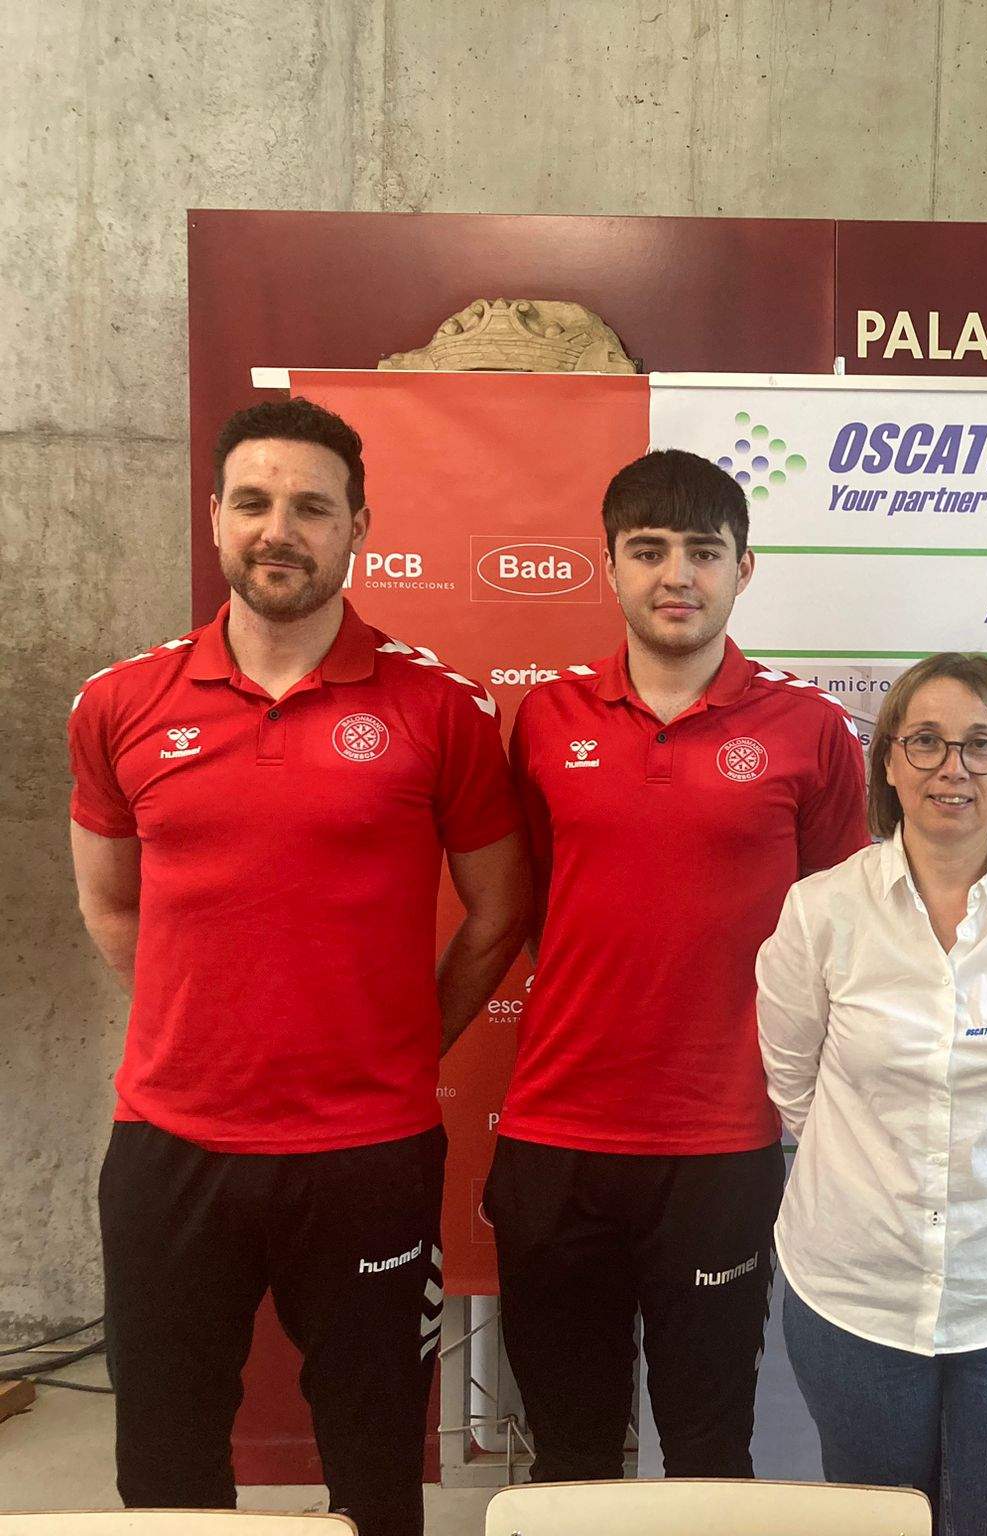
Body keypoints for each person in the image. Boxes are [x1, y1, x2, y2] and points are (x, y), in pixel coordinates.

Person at [67, 397, 529, 1536]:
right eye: (257, 502)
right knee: (165, 1462)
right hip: (170, 1148)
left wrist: (404, 1041)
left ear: (357, 526)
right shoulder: (121, 702)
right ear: (216, 517)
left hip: (369, 1154)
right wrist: (204, 1028)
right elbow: (109, 902)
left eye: (313, 507)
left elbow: (498, 910)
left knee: (376, 1464)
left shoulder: (440, 708)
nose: (282, 528)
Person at [486, 449, 869, 1482]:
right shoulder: (546, 720)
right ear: (607, 565)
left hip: (720, 1144)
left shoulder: (811, 731)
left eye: (703, 552)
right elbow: (541, 912)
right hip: (555, 1136)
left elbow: (844, 933)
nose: (675, 576)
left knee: (706, 1449)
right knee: (569, 1453)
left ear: (744, 568)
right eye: (647, 551)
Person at [757, 652, 987, 1536]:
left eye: (979, 745)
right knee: (882, 1524)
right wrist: (876, 1171)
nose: (951, 769)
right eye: (925, 742)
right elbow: (793, 1081)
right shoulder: (821, 912)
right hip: (854, 1290)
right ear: (888, 759)